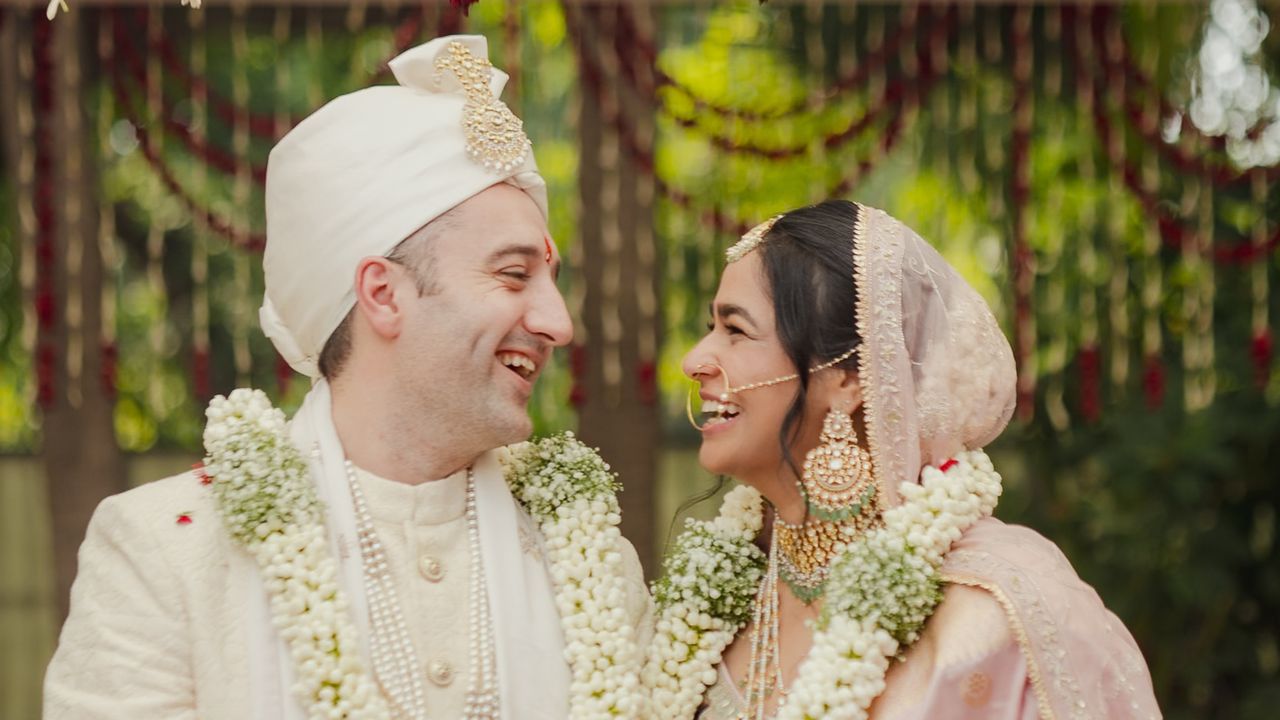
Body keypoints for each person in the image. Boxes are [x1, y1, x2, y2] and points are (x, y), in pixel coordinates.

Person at [44, 36, 650, 719]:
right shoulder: (167, 549)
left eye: (551, 281)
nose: (557, 322)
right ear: (384, 294)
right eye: (513, 275)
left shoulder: (591, 563)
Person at [645, 200, 1160, 719]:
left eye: (735, 331)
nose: (694, 360)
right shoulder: (714, 602)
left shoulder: (991, 614)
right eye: (712, 327)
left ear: (845, 379)